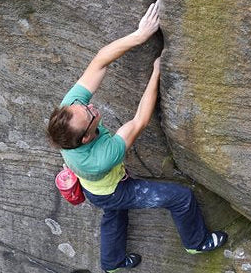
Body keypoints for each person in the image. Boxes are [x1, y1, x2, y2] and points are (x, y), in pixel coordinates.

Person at [46, 2, 227, 272]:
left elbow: (100, 60)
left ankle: (112, 263)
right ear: (85, 138)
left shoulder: (69, 116)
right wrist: (156, 73)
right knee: (180, 198)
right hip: (112, 188)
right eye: (88, 112)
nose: (89, 105)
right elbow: (139, 120)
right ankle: (196, 241)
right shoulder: (101, 157)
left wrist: (139, 36)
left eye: (83, 105)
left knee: (114, 214)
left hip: (94, 188)